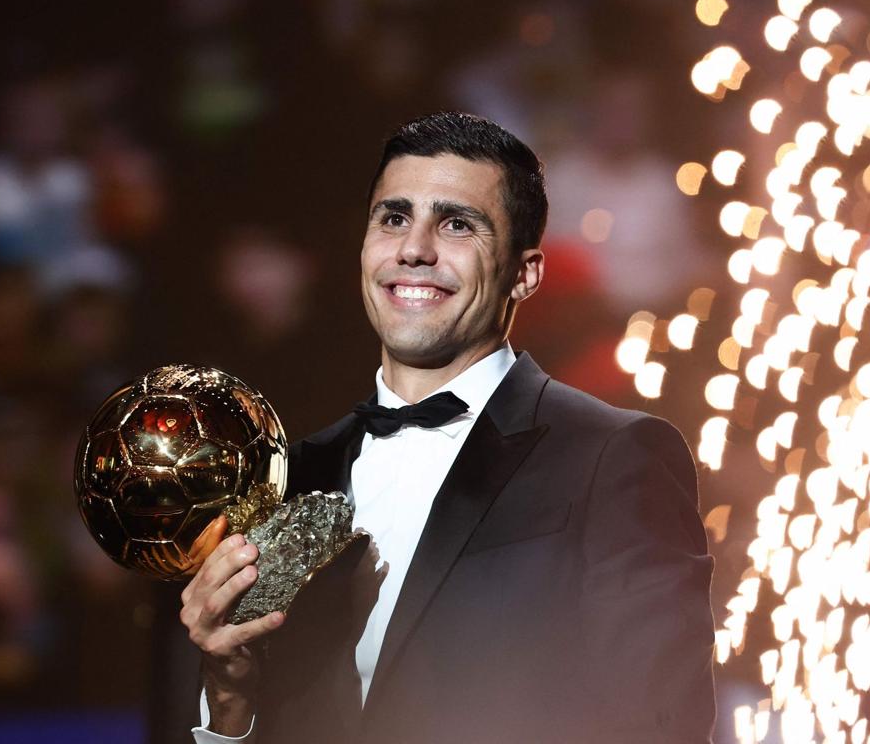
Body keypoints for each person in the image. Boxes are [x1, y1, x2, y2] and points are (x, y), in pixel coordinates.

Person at [175, 112, 715, 743]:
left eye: (457, 223)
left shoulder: (613, 456)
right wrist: (230, 699)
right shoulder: (293, 476)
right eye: (393, 217)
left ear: (525, 273)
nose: (414, 248)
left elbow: (663, 726)